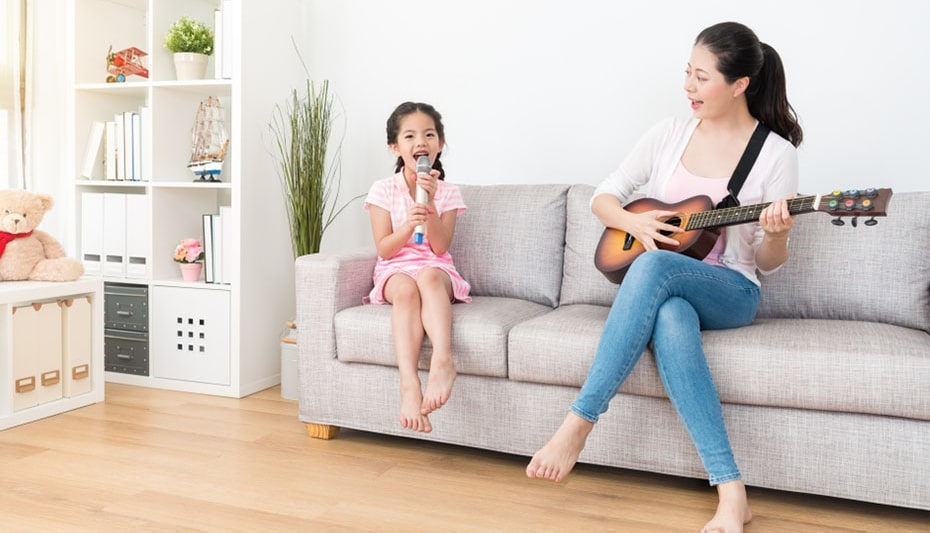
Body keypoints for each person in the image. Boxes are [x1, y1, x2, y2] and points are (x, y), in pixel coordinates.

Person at [525, 21, 803, 533]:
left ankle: (579, 423)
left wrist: (778, 234)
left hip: (733, 292)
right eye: (687, 73)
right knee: (671, 315)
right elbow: (602, 197)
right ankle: (732, 491)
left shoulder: (774, 155)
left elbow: (766, 265)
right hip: (675, 289)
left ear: (739, 85)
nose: (688, 87)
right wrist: (633, 221)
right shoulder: (669, 135)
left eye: (702, 78)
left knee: (653, 265)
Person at [364, 101, 471, 434]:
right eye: (409, 136)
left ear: (439, 144)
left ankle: (442, 360)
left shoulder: (448, 192)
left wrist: (432, 203)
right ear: (395, 147)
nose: (420, 141)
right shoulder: (383, 190)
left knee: (426, 276)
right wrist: (408, 225)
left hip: (436, 268)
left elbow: (440, 247)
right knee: (406, 290)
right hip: (394, 268)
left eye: (429, 134)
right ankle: (409, 385)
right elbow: (384, 248)